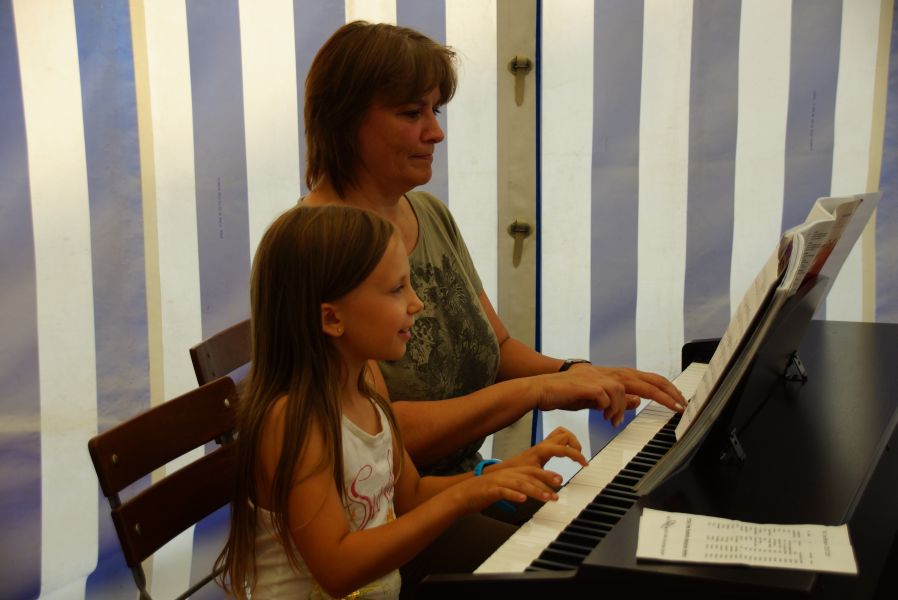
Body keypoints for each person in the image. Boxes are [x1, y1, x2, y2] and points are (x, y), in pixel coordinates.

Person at [301, 20, 687, 478]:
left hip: (463, 479)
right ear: (345, 121)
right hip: (395, 503)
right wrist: (537, 392)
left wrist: (575, 373)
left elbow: (496, 348)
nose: (436, 132)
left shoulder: (427, 213)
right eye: (411, 114)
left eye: (435, 111)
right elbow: (377, 438)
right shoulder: (315, 249)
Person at [216, 204, 588, 599]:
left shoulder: (368, 398)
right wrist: (463, 497)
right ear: (332, 319)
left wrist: (495, 476)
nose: (417, 303)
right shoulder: (294, 420)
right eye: (397, 289)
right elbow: (337, 570)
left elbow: (411, 495)